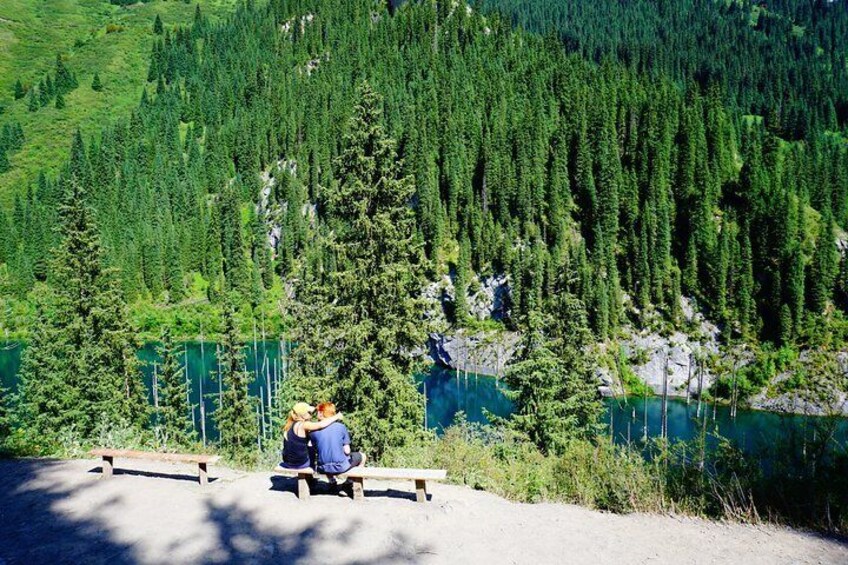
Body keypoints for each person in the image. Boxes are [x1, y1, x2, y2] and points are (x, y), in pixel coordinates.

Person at [280, 402, 344, 470]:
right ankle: (311, 474)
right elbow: (320, 425)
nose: (311, 414)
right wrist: (336, 416)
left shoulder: (290, 424)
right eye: (309, 412)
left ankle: (309, 477)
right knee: (311, 447)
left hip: (288, 462)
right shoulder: (303, 425)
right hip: (299, 464)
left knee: (309, 444)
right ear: (302, 415)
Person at [309, 401, 366, 477]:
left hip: (322, 467)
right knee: (362, 456)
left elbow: (311, 448)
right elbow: (347, 451)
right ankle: (350, 481)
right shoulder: (341, 427)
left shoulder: (313, 430)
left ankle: (332, 481)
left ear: (321, 413)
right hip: (340, 466)